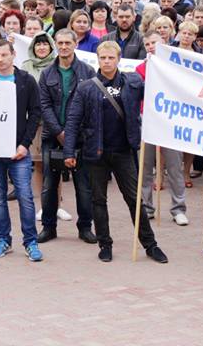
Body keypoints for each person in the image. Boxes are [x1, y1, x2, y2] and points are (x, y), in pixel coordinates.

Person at [64, 41, 168, 264]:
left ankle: (150, 245)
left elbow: (155, 95)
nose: (107, 62)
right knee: (98, 200)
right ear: (98, 59)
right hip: (96, 152)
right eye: (103, 58)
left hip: (124, 151)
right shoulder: (87, 87)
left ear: (118, 59)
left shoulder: (132, 81)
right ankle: (105, 244)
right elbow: (72, 120)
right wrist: (69, 151)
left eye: (111, 58)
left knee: (134, 199)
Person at [0, 39, 43, 262]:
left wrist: (25, 144)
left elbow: (35, 113)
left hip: (19, 150)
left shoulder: (26, 81)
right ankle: (3, 240)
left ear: (13, 55)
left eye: (3, 55)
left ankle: (30, 241)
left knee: (25, 197)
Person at [37, 28, 97, 244]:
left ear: (75, 45)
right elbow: (44, 105)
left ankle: (85, 227)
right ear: (55, 44)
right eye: (60, 43)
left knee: (83, 185)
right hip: (52, 136)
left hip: (81, 138)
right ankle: (48, 227)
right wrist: (60, 132)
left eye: (67, 43)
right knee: (49, 185)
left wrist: (71, 134)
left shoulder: (88, 72)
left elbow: (91, 106)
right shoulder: (47, 74)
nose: (63, 47)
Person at [137, 32, 189, 227]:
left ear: (164, 43)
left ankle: (178, 208)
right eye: (147, 43)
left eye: (154, 43)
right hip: (147, 119)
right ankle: (146, 207)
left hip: (170, 120)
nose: (151, 46)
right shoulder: (140, 68)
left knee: (174, 166)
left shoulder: (174, 67)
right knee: (146, 165)